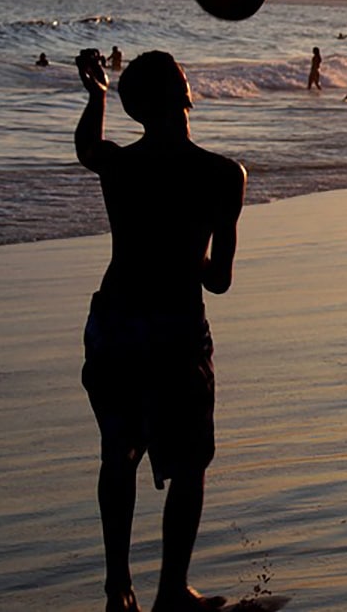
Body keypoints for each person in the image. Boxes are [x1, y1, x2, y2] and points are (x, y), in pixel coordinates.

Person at [73, 49, 246, 612]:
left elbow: (87, 149)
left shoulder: (122, 167)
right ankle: (172, 590)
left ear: (136, 109)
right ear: (187, 95)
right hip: (174, 329)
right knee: (189, 465)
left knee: (117, 454)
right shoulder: (223, 174)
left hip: (116, 321)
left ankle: (118, 587)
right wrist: (182, 252)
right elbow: (218, 280)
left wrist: (95, 93)